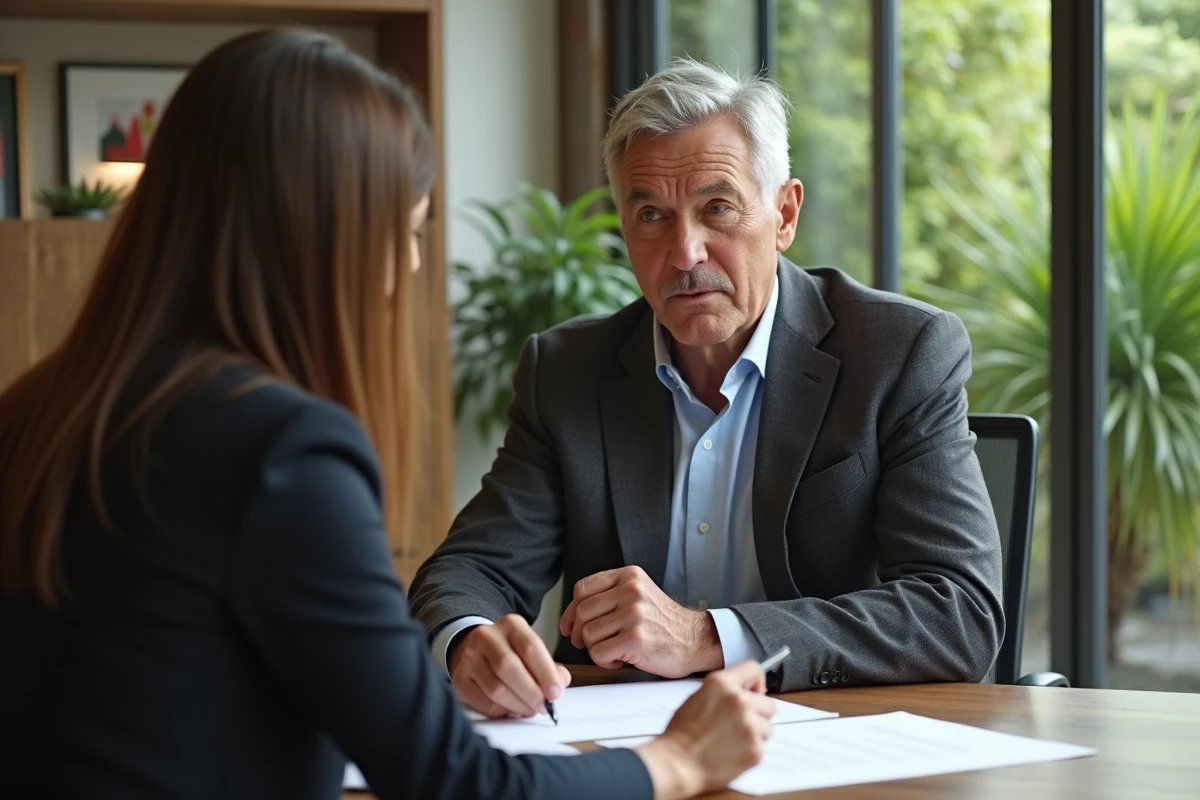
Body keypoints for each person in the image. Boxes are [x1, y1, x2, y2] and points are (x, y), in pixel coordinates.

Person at [0, 32, 774, 800]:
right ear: (325, 234)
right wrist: (676, 762)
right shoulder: (280, 452)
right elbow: (454, 783)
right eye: (405, 230)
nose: (407, 264)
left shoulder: (35, 409)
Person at [407, 58, 1006, 719]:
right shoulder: (568, 370)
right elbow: (470, 570)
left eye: (716, 208)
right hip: (618, 750)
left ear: (784, 215)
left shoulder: (897, 354)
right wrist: (469, 642)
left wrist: (707, 636)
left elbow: (958, 609)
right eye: (651, 216)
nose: (685, 252)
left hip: (827, 741)